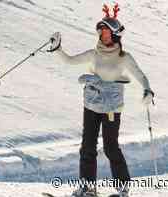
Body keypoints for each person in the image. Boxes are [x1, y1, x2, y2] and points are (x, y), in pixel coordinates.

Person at [48, 4, 154, 197]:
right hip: (91, 105)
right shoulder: (94, 54)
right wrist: (57, 49)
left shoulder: (124, 57)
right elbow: (69, 61)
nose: (103, 35)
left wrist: (147, 90)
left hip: (112, 108)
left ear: (115, 35)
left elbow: (140, 75)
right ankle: (88, 188)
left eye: (106, 32)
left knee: (110, 146)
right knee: (87, 146)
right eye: (101, 31)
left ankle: (123, 189)